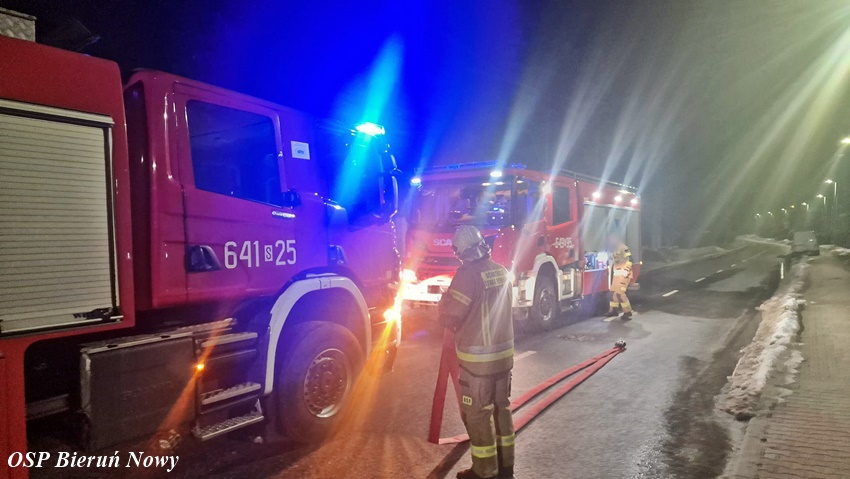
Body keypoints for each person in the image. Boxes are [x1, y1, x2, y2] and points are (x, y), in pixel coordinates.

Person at [439, 225, 515, 479]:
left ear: (461, 251)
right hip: (504, 358)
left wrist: (443, 302)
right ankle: (506, 467)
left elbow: (451, 315)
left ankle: (484, 471)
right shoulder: (501, 271)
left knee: (479, 416)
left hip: (478, 363)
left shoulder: (467, 275)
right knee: (502, 410)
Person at [606, 238, 634, 320]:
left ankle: (627, 312)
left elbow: (630, 259)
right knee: (613, 293)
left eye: (611, 241)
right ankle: (613, 310)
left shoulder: (623, 247)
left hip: (624, 274)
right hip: (617, 275)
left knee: (620, 293)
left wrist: (626, 270)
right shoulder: (615, 249)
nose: (610, 243)